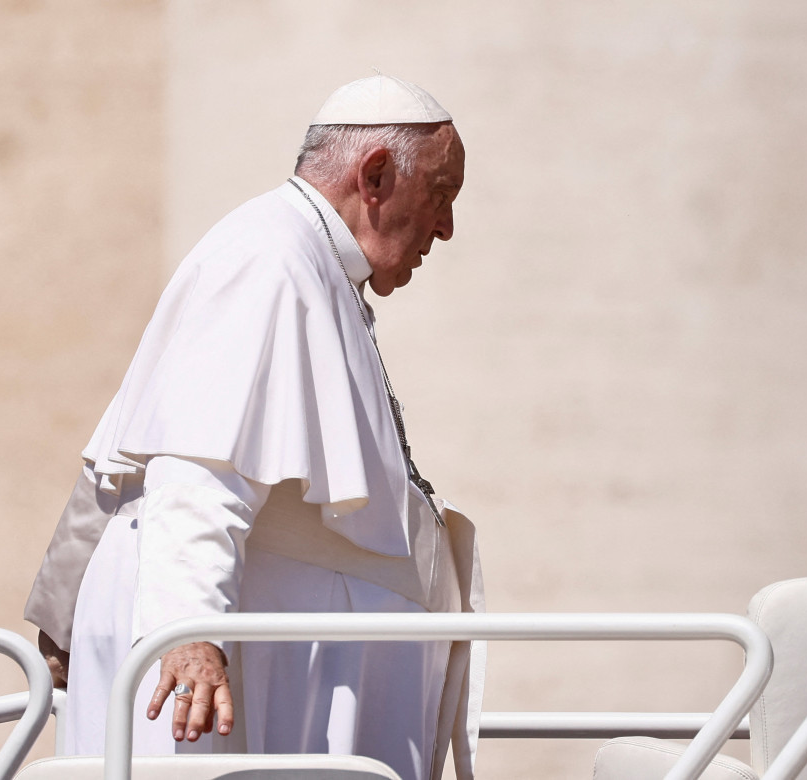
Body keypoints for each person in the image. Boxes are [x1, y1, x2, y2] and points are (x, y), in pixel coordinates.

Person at [24, 75, 484, 780]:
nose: (445, 227)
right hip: (243, 673)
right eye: (441, 195)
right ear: (377, 175)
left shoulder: (293, 256)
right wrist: (191, 635)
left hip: (287, 665)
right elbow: (194, 467)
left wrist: (65, 606)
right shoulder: (269, 258)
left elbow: (123, 456)